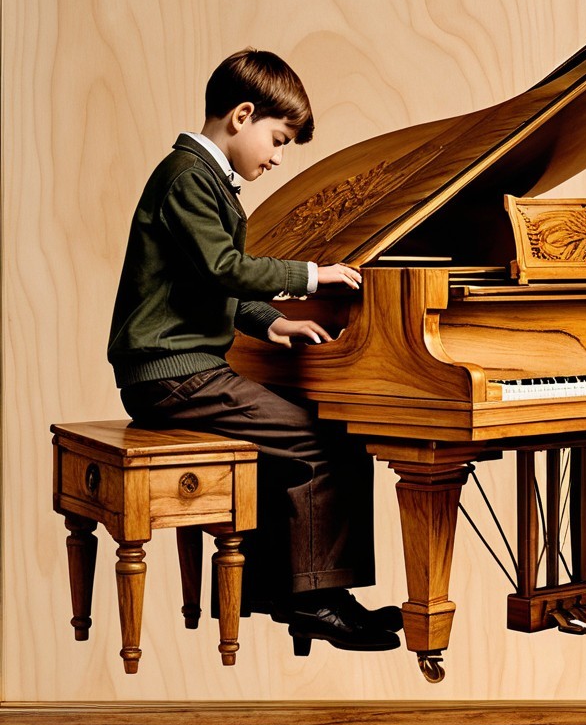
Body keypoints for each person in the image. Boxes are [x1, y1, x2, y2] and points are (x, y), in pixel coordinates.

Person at [108, 48, 401, 653]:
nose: (276, 157)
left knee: (306, 440)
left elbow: (209, 282)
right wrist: (312, 278)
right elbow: (224, 266)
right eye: (278, 139)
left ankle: (300, 593)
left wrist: (272, 325)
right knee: (323, 440)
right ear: (242, 115)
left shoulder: (203, 178)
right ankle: (315, 599)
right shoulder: (187, 176)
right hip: (172, 377)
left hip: (183, 372)